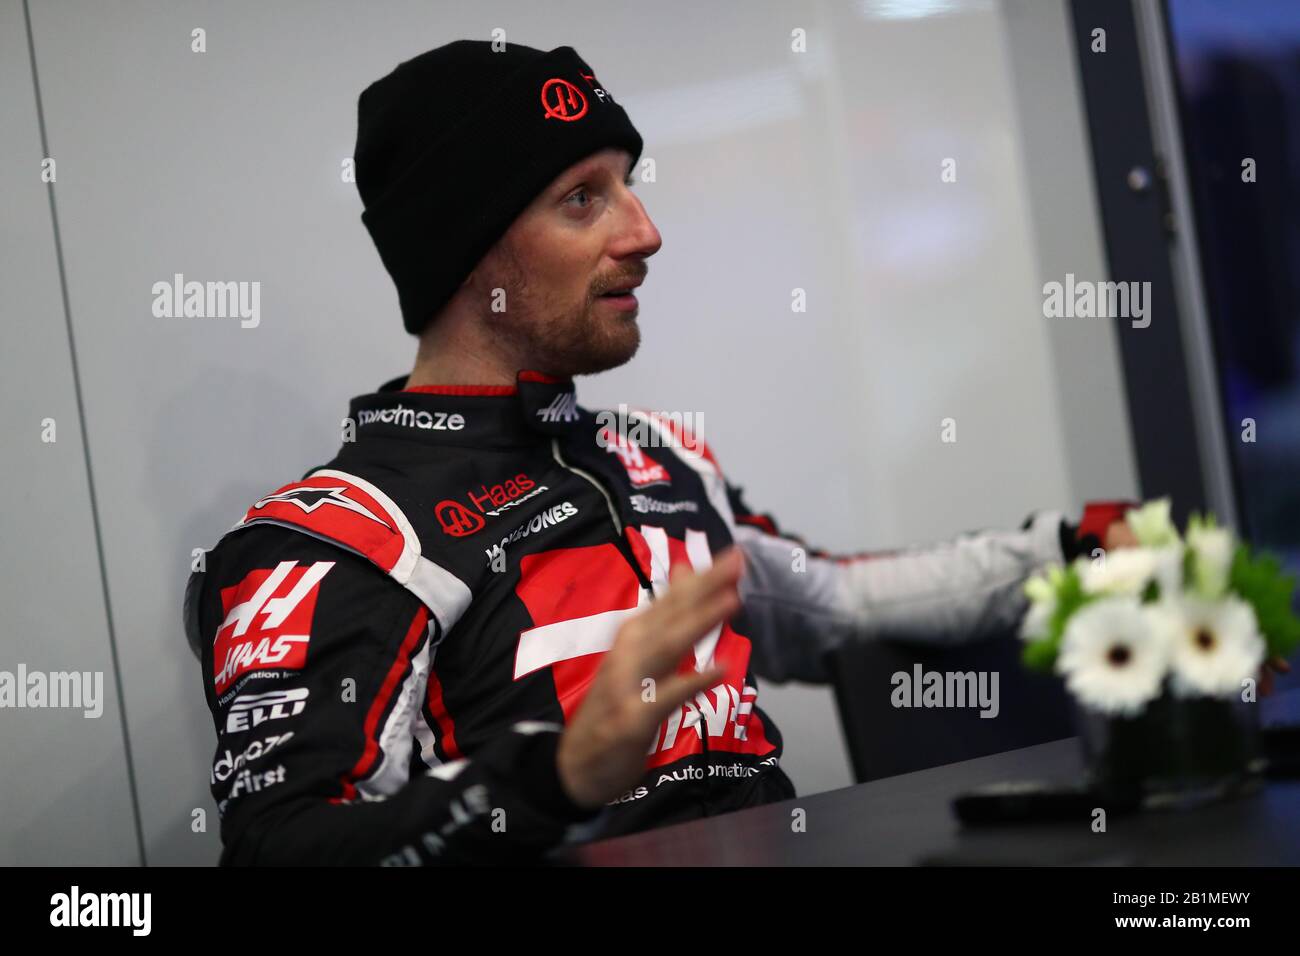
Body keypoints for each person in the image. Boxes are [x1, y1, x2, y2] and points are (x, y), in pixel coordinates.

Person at [182, 39, 1136, 865]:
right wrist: (550, 779)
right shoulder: (334, 541)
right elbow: (282, 847)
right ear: (469, 255)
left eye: (628, 187)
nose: (645, 232)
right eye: (582, 199)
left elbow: (835, 602)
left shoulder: (653, 460)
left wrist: (1071, 554)